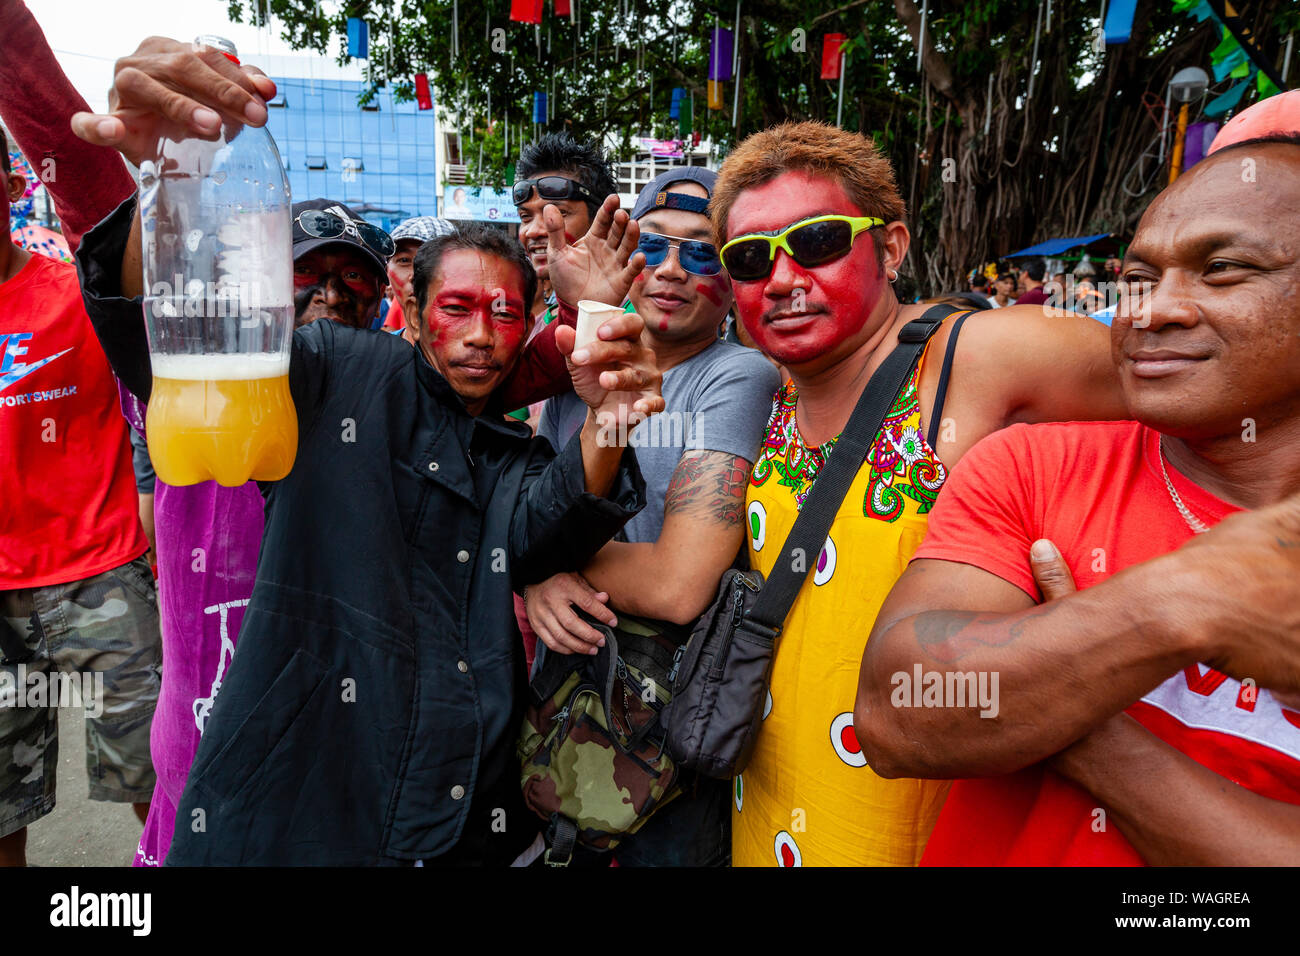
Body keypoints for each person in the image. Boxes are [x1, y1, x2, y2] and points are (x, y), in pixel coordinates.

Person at [71, 36, 663, 865]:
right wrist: (163, 188)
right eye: (457, 308)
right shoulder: (330, 375)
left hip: (461, 820)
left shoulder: (511, 454)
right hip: (293, 809)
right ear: (412, 315)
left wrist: (606, 413)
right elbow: (156, 344)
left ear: (529, 325)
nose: (483, 336)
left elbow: (550, 524)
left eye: (505, 314)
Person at [854, 127, 1300, 865]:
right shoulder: (1036, 466)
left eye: (1221, 269)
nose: (1151, 312)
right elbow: (898, 711)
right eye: (1135, 280)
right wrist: (1186, 601)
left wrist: (1069, 697)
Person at [708, 120, 1129, 867]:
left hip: (923, 817)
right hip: (767, 799)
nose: (779, 278)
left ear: (892, 247)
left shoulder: (980, 357)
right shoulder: (771, 389)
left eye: (817, 242)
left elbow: (1190, 387)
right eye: (749, 258)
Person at [524, 167, 782, 866]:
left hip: (669, 741)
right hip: (563, 714)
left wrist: (539, 563)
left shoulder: (739, 376)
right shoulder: (582, 366)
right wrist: (533, 576)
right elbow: (523, 505)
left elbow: (677, 584)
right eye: (655, 246)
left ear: (731, 281)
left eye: (702, 253)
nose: (672, 269)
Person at [0, 1, 160, 868]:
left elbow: (120, 230)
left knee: (154, 781)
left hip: (99, 579)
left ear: (11, 183)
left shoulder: (76, 290)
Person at [515, 132, 618, 323]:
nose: (533, 231)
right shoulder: (538, 324)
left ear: (603, 221)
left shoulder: (638, 318)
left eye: (559, 214)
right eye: (525, 217)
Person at [382, 215, 456, 332]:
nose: (416, 275)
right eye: (404, 260)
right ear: (387, 271)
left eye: (434, 260)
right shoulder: (380, 349)